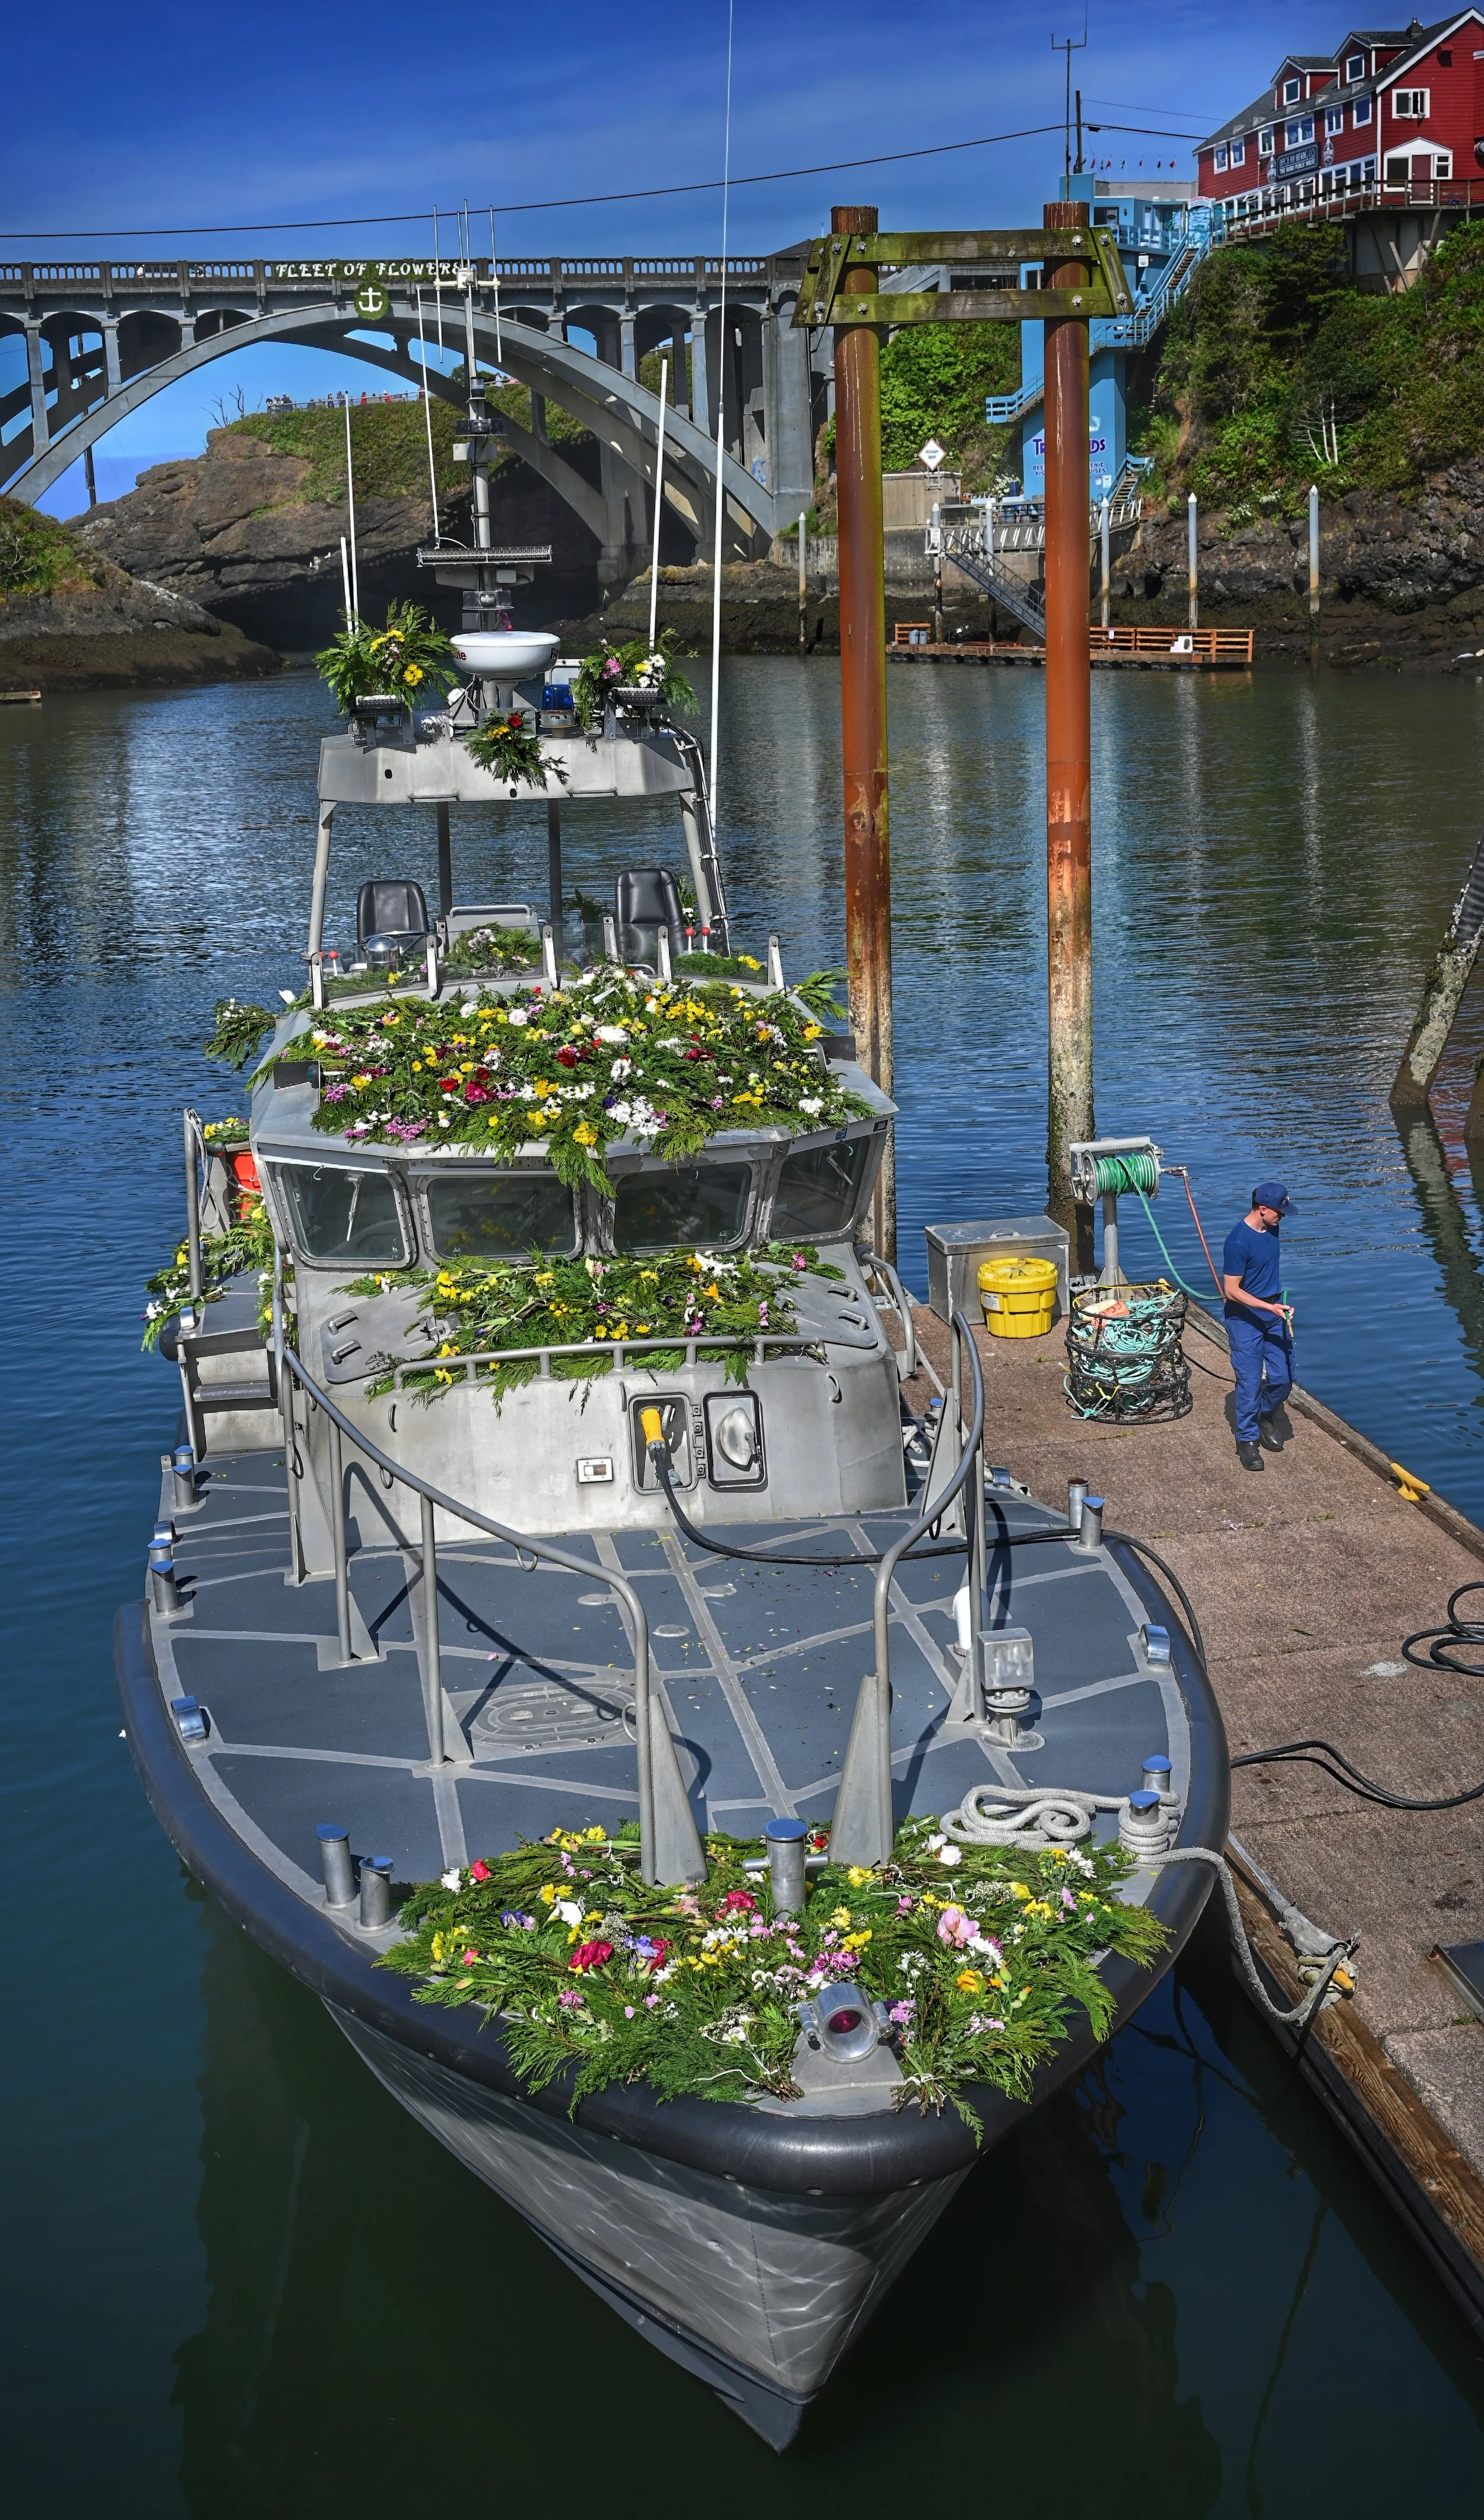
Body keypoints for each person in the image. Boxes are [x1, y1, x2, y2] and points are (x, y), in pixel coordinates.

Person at [1223, 1180, 1295, 1471]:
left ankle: (1265, 1414)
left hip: (1275, 1310)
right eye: (1280, 1211)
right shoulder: (1237, 1242)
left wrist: (1280, 1305)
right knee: (1250, 1383)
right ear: (1263, 1210)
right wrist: (1268, 1307)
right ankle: (1248, 1441)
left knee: (1284, 1377)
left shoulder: (1272, 1227)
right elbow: (1231, 1290)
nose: (1284, 1216)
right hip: (1245, 1319)